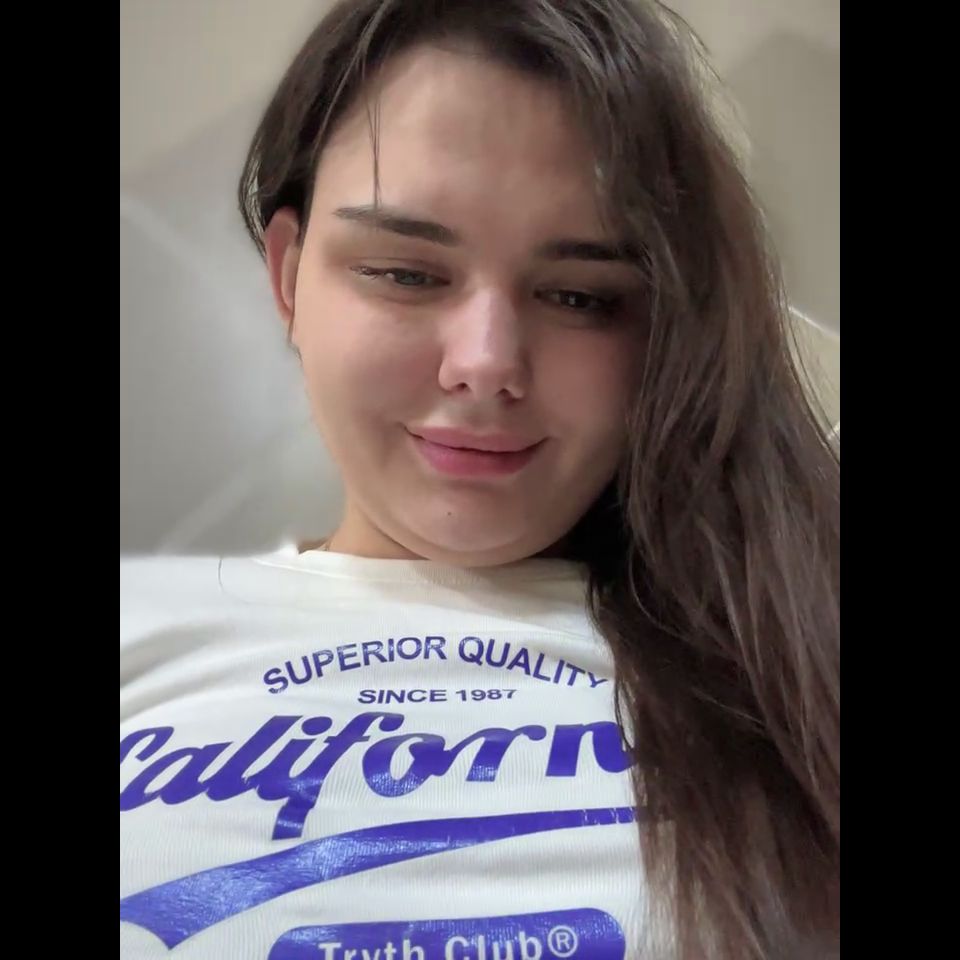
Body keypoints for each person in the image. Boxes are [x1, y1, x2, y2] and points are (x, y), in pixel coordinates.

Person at [120, 2, 840, 958]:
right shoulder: (142, 625)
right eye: (405, 273)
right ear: (290, 279)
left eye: (580, 296)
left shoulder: (793, 660)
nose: (487, 362)